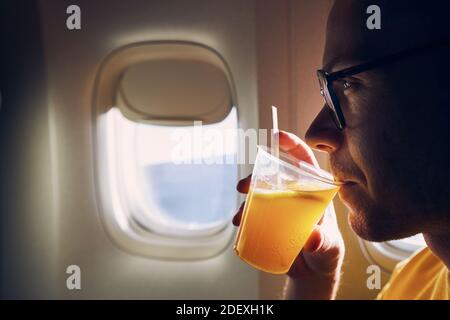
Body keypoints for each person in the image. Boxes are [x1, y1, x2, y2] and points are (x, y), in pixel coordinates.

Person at [233, 0, 450, 299]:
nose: (315, 135)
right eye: (327, 90)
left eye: (348, 82)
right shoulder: (415, 281)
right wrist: (312, 284)